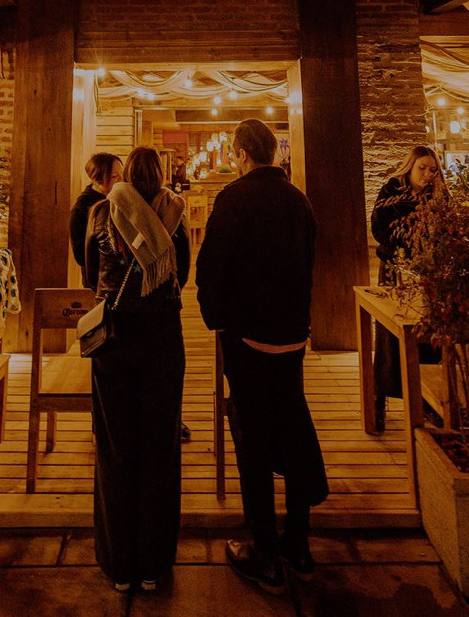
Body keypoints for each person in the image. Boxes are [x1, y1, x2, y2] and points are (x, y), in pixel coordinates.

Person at [196, 119, 328, 595]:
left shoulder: (233, 199)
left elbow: (210, 268)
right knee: (292, 427)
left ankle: (265, 551)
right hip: (292, 336)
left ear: (241, 154)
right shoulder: (299, 200)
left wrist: (216, 318)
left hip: (248, 336)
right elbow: (309, 261)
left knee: (252, 439)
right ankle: (299, 541)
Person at [84, 146, 190, 593]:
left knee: (115, 447)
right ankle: (153, 564)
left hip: (114, 340)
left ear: (125, 174)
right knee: (160, 446)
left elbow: (91, 275)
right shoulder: (175, 214)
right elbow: (182, 276)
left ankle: (119, 565)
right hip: (162, 338)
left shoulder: (102, 212)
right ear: (161, 174)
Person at [371, 144, 447, 432]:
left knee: (426, 335)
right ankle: (380, 398)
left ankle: (427, 401)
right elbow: (379, 228)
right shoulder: (392, 191)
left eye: (432, 170)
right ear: (410, 166)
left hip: (427, 274)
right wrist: (402, 246)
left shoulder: (438, 196)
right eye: (422, 168)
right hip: (395, 270)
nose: (426, 174)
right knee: (390, 335)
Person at [69, 153, 122, 269]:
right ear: (97, 180)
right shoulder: (81, 209)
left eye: (122, 173)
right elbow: (81, 256)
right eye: (114, 176)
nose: (121, 179)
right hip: (100, 275)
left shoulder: (118, 198)